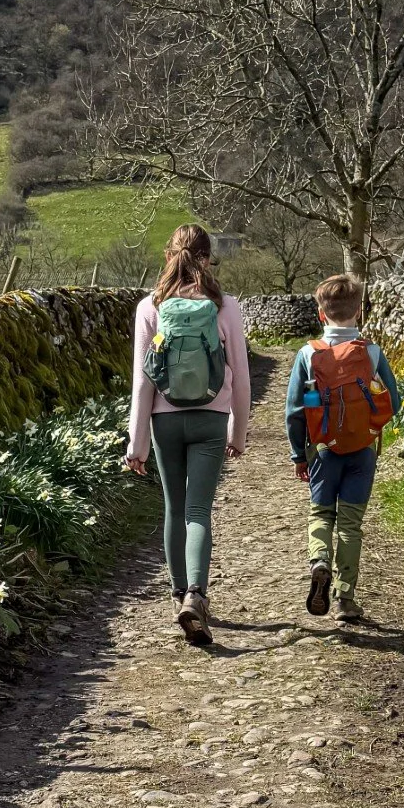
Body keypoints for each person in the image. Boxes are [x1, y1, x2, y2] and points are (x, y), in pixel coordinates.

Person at [124, 223, 251, 645]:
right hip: (211, 418)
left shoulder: (150, 307)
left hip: (165, 419)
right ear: (207, 258)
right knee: (199, 510)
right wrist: (239, 430)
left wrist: (136, 442)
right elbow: (242, 376)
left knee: (173, 508)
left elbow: (142, 382)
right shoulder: (225, 306)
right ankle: (197, 594)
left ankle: (179, 591)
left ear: (168, 256)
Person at [285, 274, 400, 626]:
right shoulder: (372, 352)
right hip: (362, 448)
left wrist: (298, 455)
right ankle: (345, 599)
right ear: (359, 311)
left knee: (321, 515)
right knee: (351, 524)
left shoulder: (308, 354)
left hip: (322, 450)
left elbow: (294, 410)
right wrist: (368, 425)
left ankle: (319, 561)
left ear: (322, 314)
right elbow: (394, 400)